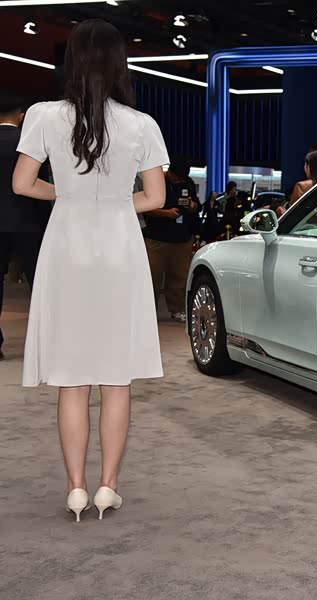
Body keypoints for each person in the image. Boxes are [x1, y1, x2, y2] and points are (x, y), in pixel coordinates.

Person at [12, 19, 169, 522]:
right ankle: (107, 487)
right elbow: (156, 197)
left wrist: (65, 193)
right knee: (116, 379)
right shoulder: (141, 124)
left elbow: (22, 184)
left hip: (67, 248)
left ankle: (76, 488)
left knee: (72, 377)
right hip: (120, 251)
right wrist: (115, 203)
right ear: (120, 63)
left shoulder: (43, 115)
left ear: (72, 62)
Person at [0, 93, 45, 361]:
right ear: (21, 116)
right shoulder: (28, 143)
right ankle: (44, 344)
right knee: (39, 283)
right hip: (28, 222)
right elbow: (39, 182)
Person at [143, 157, 198, 323]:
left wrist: (192, 206)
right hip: (156, 239)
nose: (179, 181)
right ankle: (148, 311)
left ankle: (178, 310)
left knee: (180, 278)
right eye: (177, 178)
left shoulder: (188, 182)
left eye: (182, 179)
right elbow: (146, 208)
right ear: (170, 172)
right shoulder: (157, 182)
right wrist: (166, 213)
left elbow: (197, 205)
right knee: (152, 277)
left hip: (182, 239)